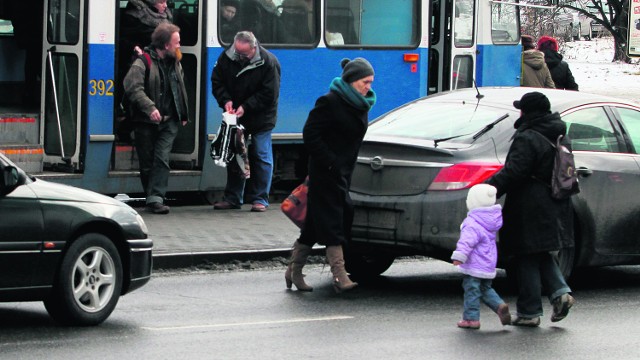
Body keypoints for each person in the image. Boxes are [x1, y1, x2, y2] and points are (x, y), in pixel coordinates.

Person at [284, 57, 376, 293]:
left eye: (371, 82)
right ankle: (339, 274)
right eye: (365, 82)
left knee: (315, 225)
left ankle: (293, 271)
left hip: (343, 172)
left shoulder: (360, 103)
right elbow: (311, 133)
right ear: (352, 80)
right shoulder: (330, 101)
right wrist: (331, 162)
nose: (369, 87)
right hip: (325, 172)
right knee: (336, 219)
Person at [485, 91, 576, 327]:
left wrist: (488, 189)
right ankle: (560, 293)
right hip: (555, 201)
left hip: (529, 205)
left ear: (528, 111)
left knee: (525, 255)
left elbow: (515, 171)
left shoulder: (528, 137)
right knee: (540, 251)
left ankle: (529, 311)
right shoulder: (559, 132)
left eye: (522, 109)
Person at [211, 31, 281, 212]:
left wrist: (246, 107)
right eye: (237, 52)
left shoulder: (268, 62)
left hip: (261, 117)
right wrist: (226, 101)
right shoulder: (227, 57)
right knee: (235, 154)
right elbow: (217, 81)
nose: (239, 57)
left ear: (254, 47)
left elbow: (269, 94)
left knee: (261, 153)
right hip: (236, 115)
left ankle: (260, 199)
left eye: (244, 54)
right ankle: (233, 198)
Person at [123, 23, 189, 214]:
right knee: (147, 162)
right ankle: (151, 196)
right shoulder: (142, 62)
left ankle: (155, 199)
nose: (180, 46)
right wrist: (150, 108)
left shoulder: (176, 62)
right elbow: (132, 87)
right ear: (166, 45)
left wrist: (183, 114)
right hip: (145, 121)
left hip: (169, 120)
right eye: (176, 42)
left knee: (161, 158)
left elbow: (180, 89)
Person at [451, 184, 511, 330]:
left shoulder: (472, 222)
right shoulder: (491, 220)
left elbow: (467, 242)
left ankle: (471, 319)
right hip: (488, 262)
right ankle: (499, 305)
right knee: (485, 288)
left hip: (474, 264)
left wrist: (460, 256)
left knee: (471, 289)